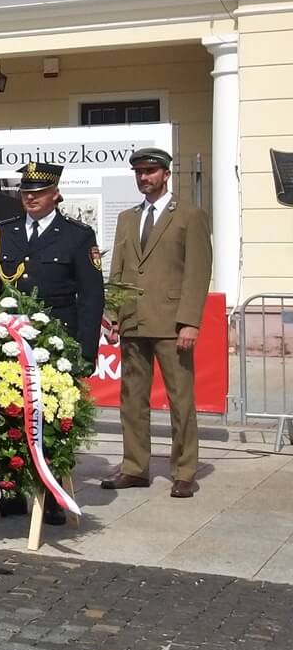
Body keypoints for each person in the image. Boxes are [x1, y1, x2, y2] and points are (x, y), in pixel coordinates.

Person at [0, 162, 104, 525]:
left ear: (55, 193)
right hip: (9, 342)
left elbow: (91, 297)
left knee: (53, 417)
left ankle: (51, 493)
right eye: (26, 192)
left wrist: (85, 351)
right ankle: (9, 489)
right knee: (5, 413)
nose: (31, 198)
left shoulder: (77, 236)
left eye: (38, 192)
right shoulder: (3, 233)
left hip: (58, 345)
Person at [104, 147, 212, 499]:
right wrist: (113, 314)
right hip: (134, 320)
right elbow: (118, 270)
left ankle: (184, 470)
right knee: (132, 400)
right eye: (139, 172)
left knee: (180, 400)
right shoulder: (127, 217)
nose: (144, 177)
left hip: (172, 323)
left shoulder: (189, 215)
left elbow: (197, 272)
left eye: (150, 171)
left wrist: (190, 322)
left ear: (166, 174)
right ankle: (135, 466)